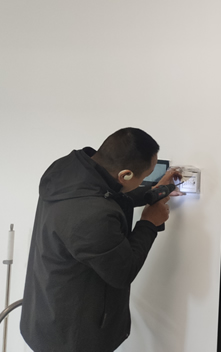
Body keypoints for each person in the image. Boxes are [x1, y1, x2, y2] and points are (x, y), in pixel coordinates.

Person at [20, 128, 182, 352]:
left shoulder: (69, 174)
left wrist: (156, 191)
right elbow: (123, 271)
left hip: (45, 314)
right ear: (125, 175)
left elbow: (110, 195)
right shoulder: (93, 215)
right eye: (146, 175)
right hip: (72, 338)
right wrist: (149, 223)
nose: (146, 179)